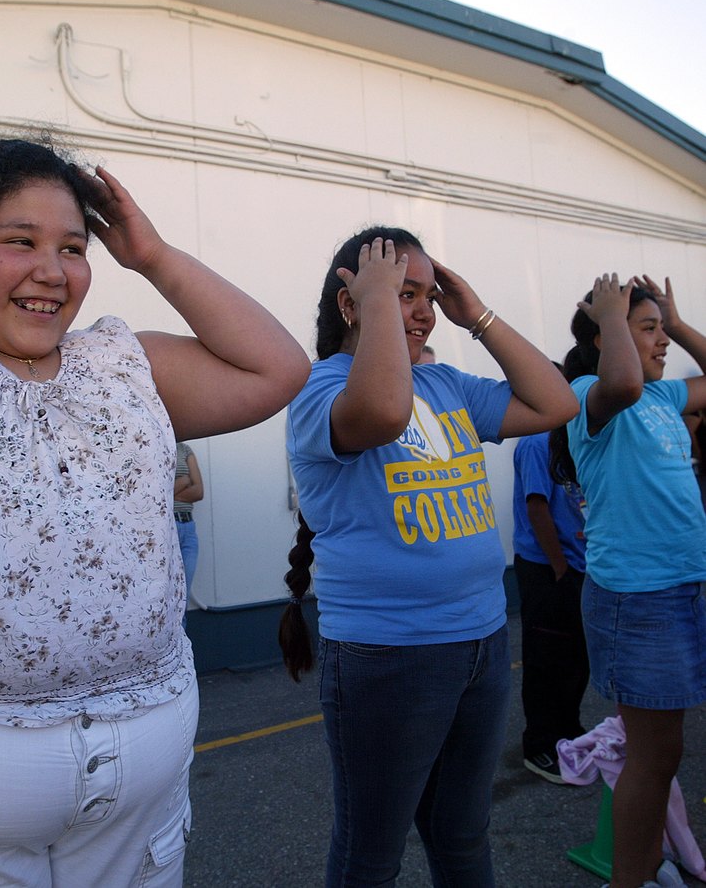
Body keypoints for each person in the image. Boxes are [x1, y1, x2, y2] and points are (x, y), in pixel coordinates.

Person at [0, 136, 310, 887]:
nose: (53, 270)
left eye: (72, 247)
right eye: (20, 241)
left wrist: (156, 257)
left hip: (134, 800)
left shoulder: (121, 361)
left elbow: (278, 368)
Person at [279, 227, 578, 887]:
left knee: (463, 839)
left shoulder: (448, 385)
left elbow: (557, 402)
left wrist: (478, 318)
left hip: (481, 642)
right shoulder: (317, 390)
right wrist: (381, 299)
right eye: (402, 293)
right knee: (371, 855)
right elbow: (384, 409)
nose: (421, 310)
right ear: (349, 304)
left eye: (429, 295)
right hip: (389, 656)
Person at [550, 273, 706, 888]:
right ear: (605, 334)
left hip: (681, 589)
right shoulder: (590, 393)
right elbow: (622, 378)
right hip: (638, 598)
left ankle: (644, 865)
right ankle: (630, 878)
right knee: (655, 755)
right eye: (650, 331)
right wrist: (612, 316)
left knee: (662, 754)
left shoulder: (665, 400)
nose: (662, 341)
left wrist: (674, 317)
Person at [512, 363, 589, 784]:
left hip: (576, 566)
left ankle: (569, 731)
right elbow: (537, 506)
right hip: (547, 569)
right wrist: (559, 566)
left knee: (576, 657)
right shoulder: (536, 442)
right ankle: (540, 746)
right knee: (547, 661)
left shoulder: (568, 435)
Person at [174, 441, 203, 621]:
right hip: (170, 527)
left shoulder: (184, 449)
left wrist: (171, 492)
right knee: (172, 597)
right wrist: (185, 481)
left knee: (182, 598)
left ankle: (182, 647)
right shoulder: (155, 443)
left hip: (188, 528)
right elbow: (155, 492)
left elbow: (199, 491)